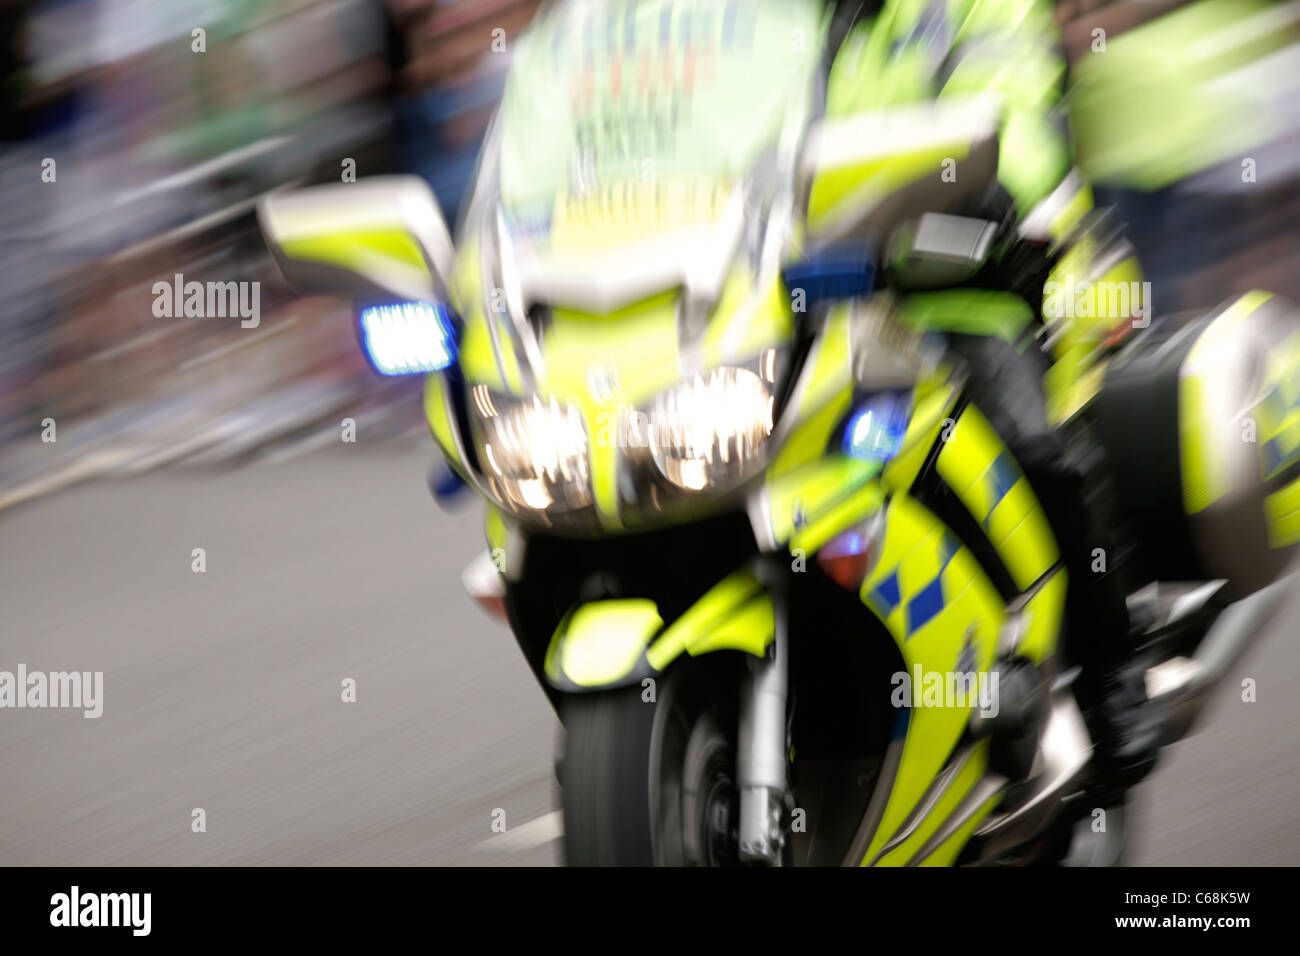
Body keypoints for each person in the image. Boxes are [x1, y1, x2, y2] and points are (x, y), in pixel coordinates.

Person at [824, 0, 1161, 791]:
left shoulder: (967, 6)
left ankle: (1113, 666)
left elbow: (1014, 93)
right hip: (816, 304)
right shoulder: (769, 30)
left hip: (972, 277)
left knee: (1032, 452)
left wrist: (998, 177)